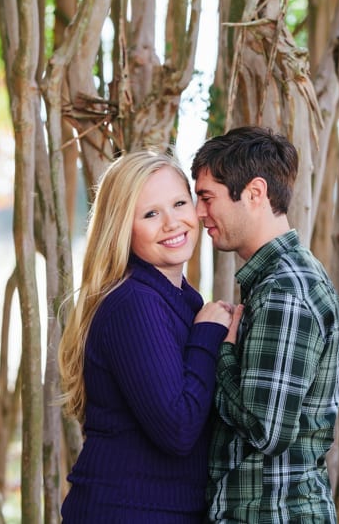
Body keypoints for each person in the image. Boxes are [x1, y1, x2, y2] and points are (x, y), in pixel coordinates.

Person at [58, 150, 242, 523]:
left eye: (179, 203)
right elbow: (177, 428)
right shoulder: (133, 303)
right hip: (126, 511)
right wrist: (206, 337)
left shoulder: (179, 299)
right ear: (123, 227)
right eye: (150, 214)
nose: (172, 223)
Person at [191, 126, 339, 523]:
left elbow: (266, 430)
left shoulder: (284, 292)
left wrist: (219, 351)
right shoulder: (278, 281)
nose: (198, 212)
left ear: (255, 193)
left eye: (207, 197)